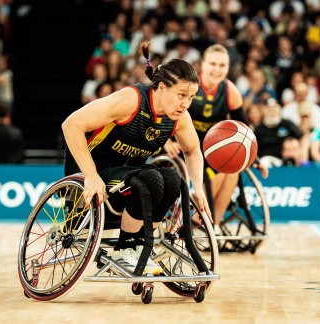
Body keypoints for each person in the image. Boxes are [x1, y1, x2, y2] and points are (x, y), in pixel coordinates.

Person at [62, 41, 211, 275]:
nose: (186, 103)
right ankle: (124, 249)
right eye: (181, 95)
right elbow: (71, 124)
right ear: (161, 87)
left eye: (191, 97)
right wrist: (90, 176)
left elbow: (192, 150)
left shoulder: (179, 117)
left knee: (173, 180)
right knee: (150, 178)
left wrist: (198, 188)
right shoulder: (131, 100)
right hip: (93, 170)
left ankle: (142, 245)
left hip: (130, 177)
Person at [164, 44, 269, 236]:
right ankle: (199, 218)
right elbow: (162, 112)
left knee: (234, 168)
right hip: (183, 147)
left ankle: (215, 224)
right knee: (207, 167)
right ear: (202, 65)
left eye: (222, 65)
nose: (217, 69)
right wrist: (166, 142)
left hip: (212, 148)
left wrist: (255, 159)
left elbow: (245, 129)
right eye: (213, 63)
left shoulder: (230, 91)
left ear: (228, 68)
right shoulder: (188, 86)